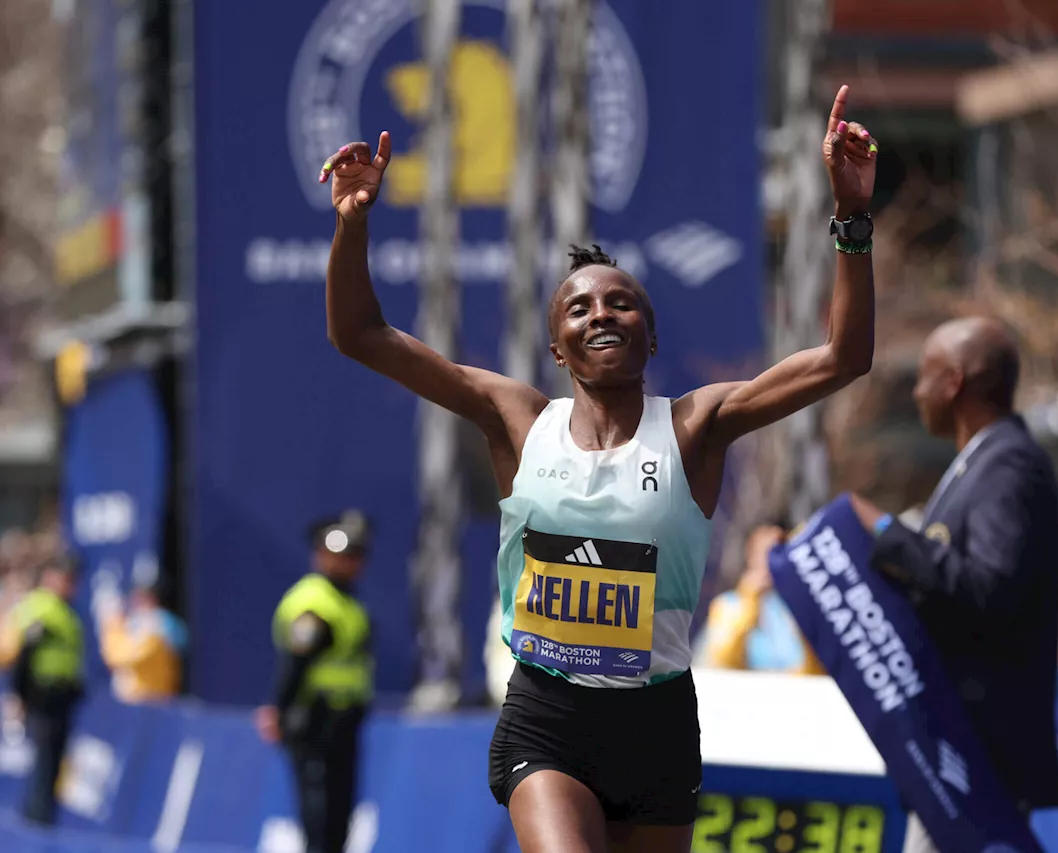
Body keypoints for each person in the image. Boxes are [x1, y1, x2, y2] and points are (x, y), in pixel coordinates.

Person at [320, 84, 877, 853]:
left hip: (657, 723)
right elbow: (361, 334)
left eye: (622, 303)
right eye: (579, 308)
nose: (601, 313)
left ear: (650, 337)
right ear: (558, 350)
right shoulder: (517, 418)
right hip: (548, 716)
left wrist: (850, 219)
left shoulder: (695, 426)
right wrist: (352, 225)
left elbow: (845, 358)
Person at [846, 317, 1058, 853]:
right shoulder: (979, 463)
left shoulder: (1009, 464)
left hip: (981, 755)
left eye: (923, 377)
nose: (916, 392)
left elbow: (990, 587)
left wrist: (882, 531)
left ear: (954, 381)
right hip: (953, 751)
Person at [255, 511, 374, 853]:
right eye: (339, 555)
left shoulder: (348, 601)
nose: (347, 563)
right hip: (314, 720)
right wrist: (278, 709)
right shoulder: (314, 602)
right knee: (320, 814)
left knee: (341, 815)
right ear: (319, 555)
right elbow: (295, 663)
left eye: (354, 556)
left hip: (345, 720)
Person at [0, 557, 85, 826]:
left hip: (62, 699)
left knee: (54, 768)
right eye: (65, 578)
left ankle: (43, 823)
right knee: (43, 764)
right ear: (51, 577)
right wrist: (19, 695)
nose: (70, 585)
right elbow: (21, 653)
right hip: (42, 698)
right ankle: (36, 827)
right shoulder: (39, 607)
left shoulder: (65, 611)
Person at [694, 524, 824, 674]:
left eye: (776, 553)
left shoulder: (795, 607)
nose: (769, 563)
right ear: (751, 555)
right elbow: (721, 662)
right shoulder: (727, 605)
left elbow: (813, 667)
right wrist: (750, 604)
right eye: (764, 554)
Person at [98, 576, 187, 703]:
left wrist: (112, 625)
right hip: (133, 697)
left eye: (142, 596)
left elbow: (120, 658)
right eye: (135, 596)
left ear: (152, 598)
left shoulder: (159, 623)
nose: (136, 601)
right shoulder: (133, 623)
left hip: (153, 698)